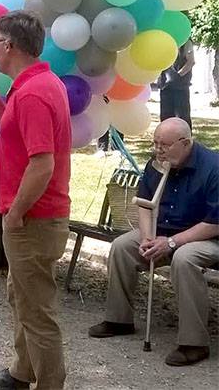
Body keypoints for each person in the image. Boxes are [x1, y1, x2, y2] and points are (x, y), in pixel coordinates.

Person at [0, 12, 72, 390]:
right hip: (34, 216)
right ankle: (21, 372)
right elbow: (14, 133)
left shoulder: (33, 93)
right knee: (21, 297)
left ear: (9, 46)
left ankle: (50, 383)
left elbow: (42, 163)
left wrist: (15, 214)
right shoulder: (34, 84)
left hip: (34, 218)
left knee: (37, 311)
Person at [88, 117, 218, 367]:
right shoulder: (157, 165)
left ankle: (194, 343)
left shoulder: (213, 168)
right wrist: (148, 238)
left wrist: (171, 242)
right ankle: (119, 319)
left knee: (184, 258)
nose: (158, 150)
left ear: (186, 143)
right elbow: (145, 204)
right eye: (155, 143)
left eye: (165, 145)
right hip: (163, 232)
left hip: (207, 236)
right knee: (123, 246)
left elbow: (214, 222)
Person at [158, 40, 195, 128]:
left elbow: (190, 62)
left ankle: (184, 138)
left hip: (180, 86)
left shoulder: (185, 42)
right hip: (165, 85)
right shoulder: (163, 40)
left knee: (182, 116)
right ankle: (166, 138)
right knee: (165, 116)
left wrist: (177, 75)